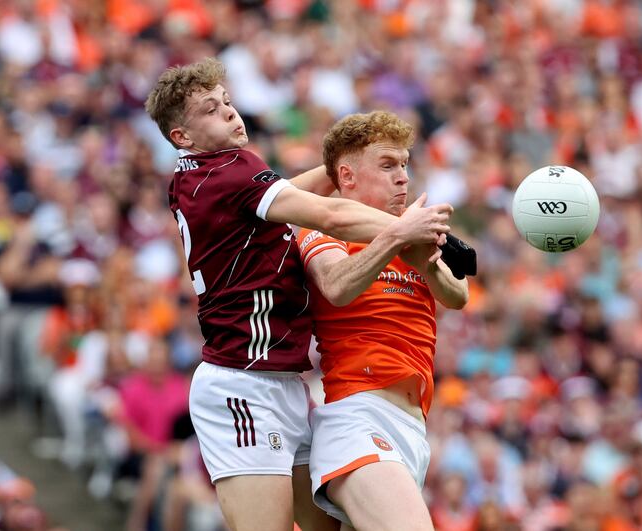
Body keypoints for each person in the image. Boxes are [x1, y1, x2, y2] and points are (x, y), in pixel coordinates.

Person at [144, 58, 453, 531]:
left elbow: (296, 194)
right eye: (210, 110)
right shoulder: (231, 170)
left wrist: (343, 164)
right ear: (182, 137)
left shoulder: (211, 176)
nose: (229, 113)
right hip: (241, 383)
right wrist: (406, 228)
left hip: (284, 383)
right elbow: (328, 216)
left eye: (227, 101)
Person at [296, 111, 469, 530]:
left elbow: (458, 295)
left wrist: (425, 262)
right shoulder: (323, 230)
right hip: (358, 415)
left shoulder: (413, 229)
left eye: (405, 165)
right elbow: (336, 285)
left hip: (413, 427)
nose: (403, 178)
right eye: (388, 165)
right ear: (347, 176)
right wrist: (396, 238)